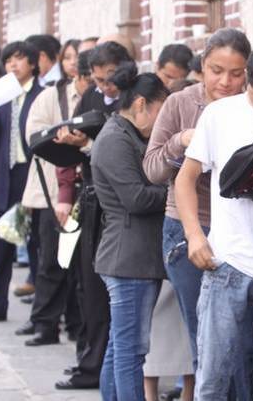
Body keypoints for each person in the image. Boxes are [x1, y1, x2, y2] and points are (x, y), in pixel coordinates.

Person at [176, 41, 253, 400]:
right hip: (226, 260)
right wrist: (195, 236)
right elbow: (186, 179)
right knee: (213, 375)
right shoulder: (219, 114)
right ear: (248, 80)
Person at [143, 28, 250, 400]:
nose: (226, 81)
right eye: (216, 70)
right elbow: (153, 169)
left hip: (241, 230)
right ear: (202, 66)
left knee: (243, 339)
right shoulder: (180, 102)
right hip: (187, 230)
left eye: (237, 73)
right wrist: (182, 142)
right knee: (204, 335)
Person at [53, 41, 133, 390]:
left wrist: (85, 146)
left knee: (110, 288)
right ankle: (90, 361)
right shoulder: (90, 97)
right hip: (90, 200)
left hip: (119, 206)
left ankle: (102, 365)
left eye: (109, 79)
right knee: (87, 284)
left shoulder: (135, 98)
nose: (105, 87)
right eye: (98, 80)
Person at [91, 64, 170, 400]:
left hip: (133, 257)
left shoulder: (125, 134)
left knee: (120, 347)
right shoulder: (114, 140)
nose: (161, 121)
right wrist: (178, 190)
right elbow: (136, 199)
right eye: (160, 111)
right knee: (131, 352)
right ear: (140, 104)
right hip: (128, 260)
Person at [13, 38, 88, 347]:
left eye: (78, 58)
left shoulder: (93, 97)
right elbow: (34, 138)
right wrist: (65, 140)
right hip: (50, 189)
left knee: (78, 265)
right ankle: (44, 324)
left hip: (85, 190)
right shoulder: (49, 96)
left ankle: (73, 323)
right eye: (69, 57)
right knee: (51, 261)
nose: (73, 62)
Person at [0, 41, 44, 324]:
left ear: (32, 63)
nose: (13, 66)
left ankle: (42, 314)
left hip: (32, 176)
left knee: (37, 243)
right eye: (8, 61)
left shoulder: (42, 95)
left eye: (18, 60)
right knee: (1, 243)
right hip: (4, 177)